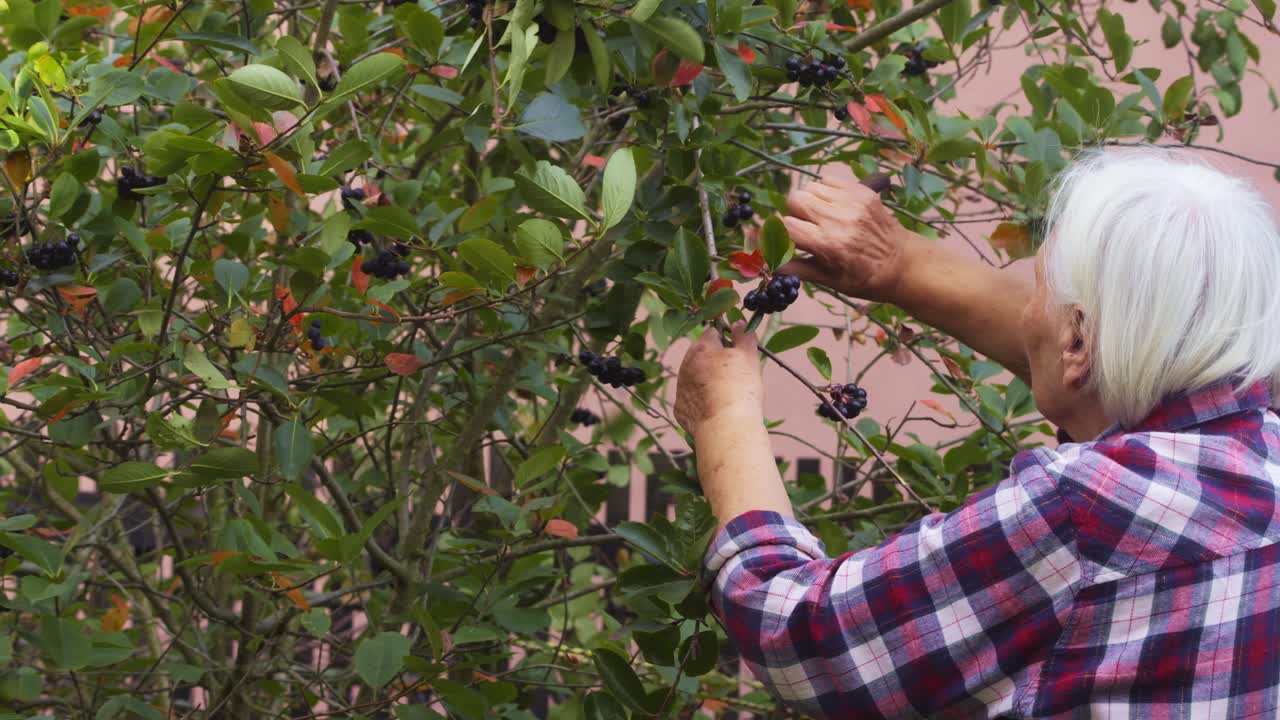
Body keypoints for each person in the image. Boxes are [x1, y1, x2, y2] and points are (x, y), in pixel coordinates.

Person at [674, 147, 1280, 718]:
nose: (1022, 306)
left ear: (1076, 341)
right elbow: (1100, 376)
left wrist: (724, 422)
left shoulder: (1081, 511)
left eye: (1036, 286)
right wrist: (898, 264)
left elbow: (801, 638)